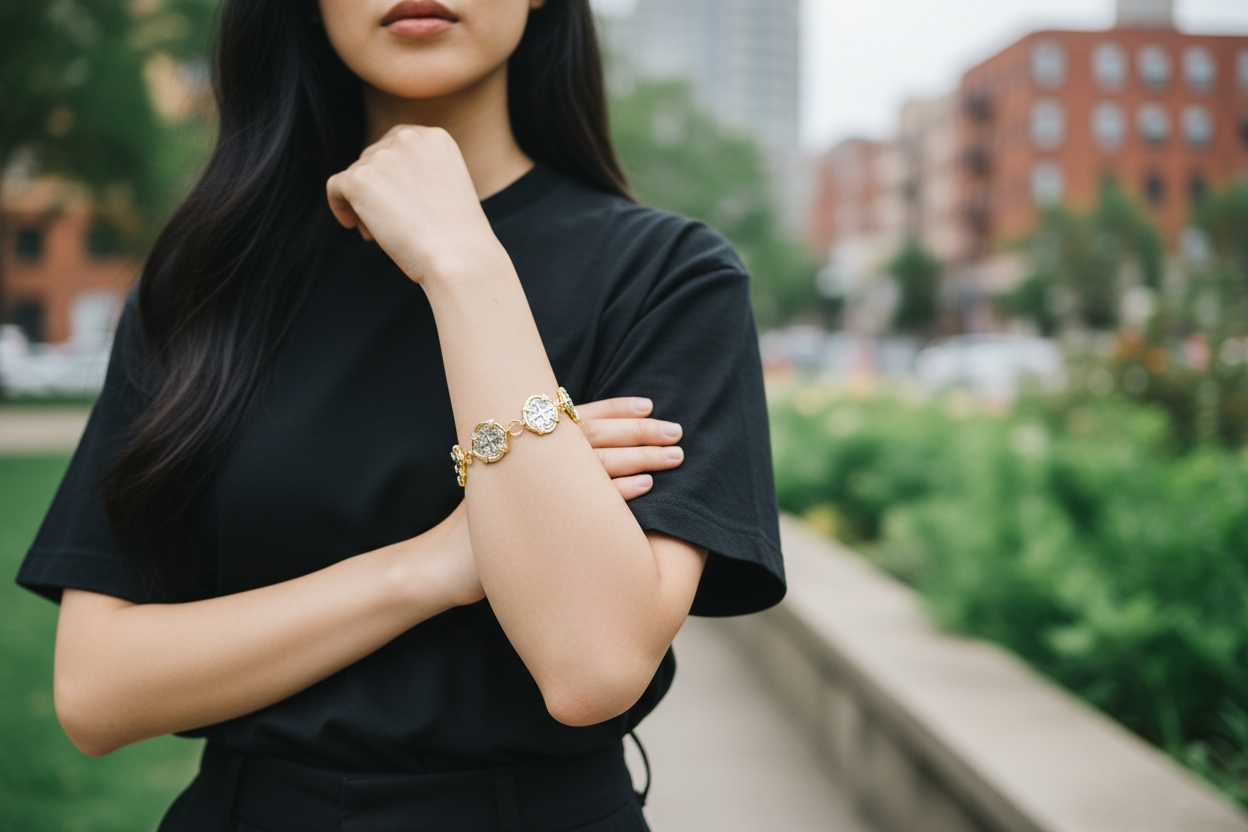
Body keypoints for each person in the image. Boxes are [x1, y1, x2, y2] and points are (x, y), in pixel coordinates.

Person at [15, 0, 786, 829]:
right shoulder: (208, 278)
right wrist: (435, 566)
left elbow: (592, 667)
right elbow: (97, 691)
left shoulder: (670, 278)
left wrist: (460, 260)